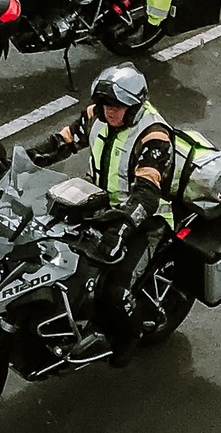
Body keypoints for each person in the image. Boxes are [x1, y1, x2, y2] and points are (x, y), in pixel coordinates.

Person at [27, 67, 184, 365]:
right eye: (106, 105)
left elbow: (147, 195)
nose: (110, 112)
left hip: (144, 221)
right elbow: (62, 142)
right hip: (97, 204)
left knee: (114, 291)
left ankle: (129, 337)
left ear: (135, 107)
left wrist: (122, 229)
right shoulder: (96, 114)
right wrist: (20, 160)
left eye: (118, 106)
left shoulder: (154, 136)